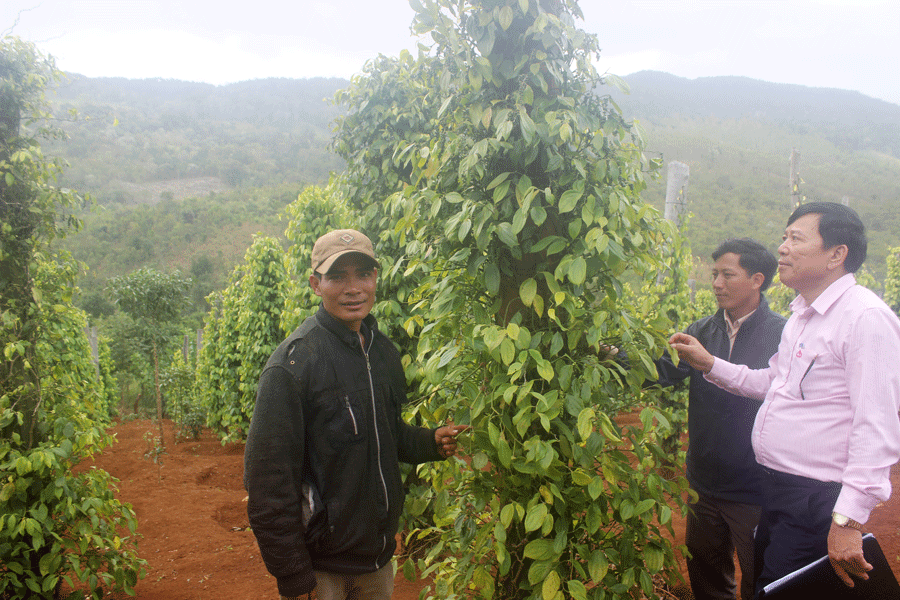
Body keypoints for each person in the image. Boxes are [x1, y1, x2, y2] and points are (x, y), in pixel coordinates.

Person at [670, 202, 900, 596]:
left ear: (836, 254)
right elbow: (770, 383)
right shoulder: (802, 318)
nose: (783, 248)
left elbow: (876, 426)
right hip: (775, 490)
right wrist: (709, 363)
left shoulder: (864, 318)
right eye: (783, 237)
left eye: (796, 238)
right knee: (771, 585)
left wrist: (847, 522)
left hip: (815, 499)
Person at [244, 229, 468, 600]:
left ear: (376, 279)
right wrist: (295, 578)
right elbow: (267, 485)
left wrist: (429, 441)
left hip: (377, 562)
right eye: (337, 276)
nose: (353, 288)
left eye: (363, 274)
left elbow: (385, 434)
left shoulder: (383, 353)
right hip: (322, 571)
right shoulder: (293, 365)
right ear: (316, 284)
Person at [656, 239, 785, 600]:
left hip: (755, 486)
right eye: (714, 275)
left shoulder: (783, 334)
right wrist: (614, 355)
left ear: (757, 279)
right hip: (703, 483)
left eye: (727, 274)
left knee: (761, 578)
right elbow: (664, 370)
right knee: (707, 575)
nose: (716, 283)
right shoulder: (703, 330)